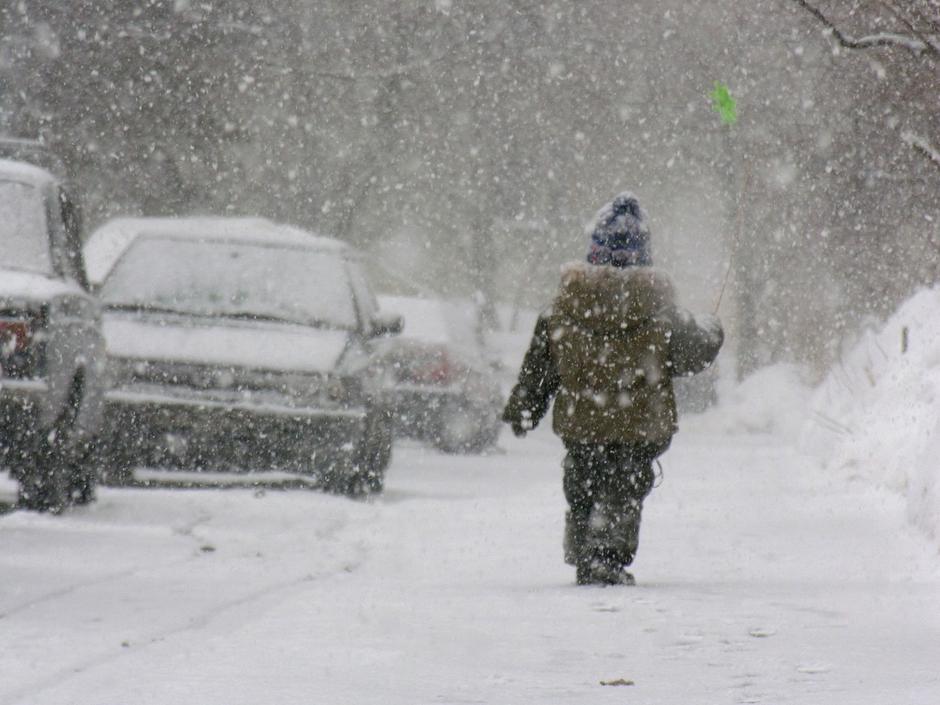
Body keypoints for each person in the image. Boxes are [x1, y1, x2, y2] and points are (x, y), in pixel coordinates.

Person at [502, 192, 724, 586]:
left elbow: (541, 367)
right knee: (625, 485)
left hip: (581, 421)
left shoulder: (563, 308)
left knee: (583, 478)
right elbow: (695, 353)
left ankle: (585, 544)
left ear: (593, 253)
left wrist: (526, 407)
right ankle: (606, 555)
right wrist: (712, 327)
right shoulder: (661, 312)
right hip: (640, 425)